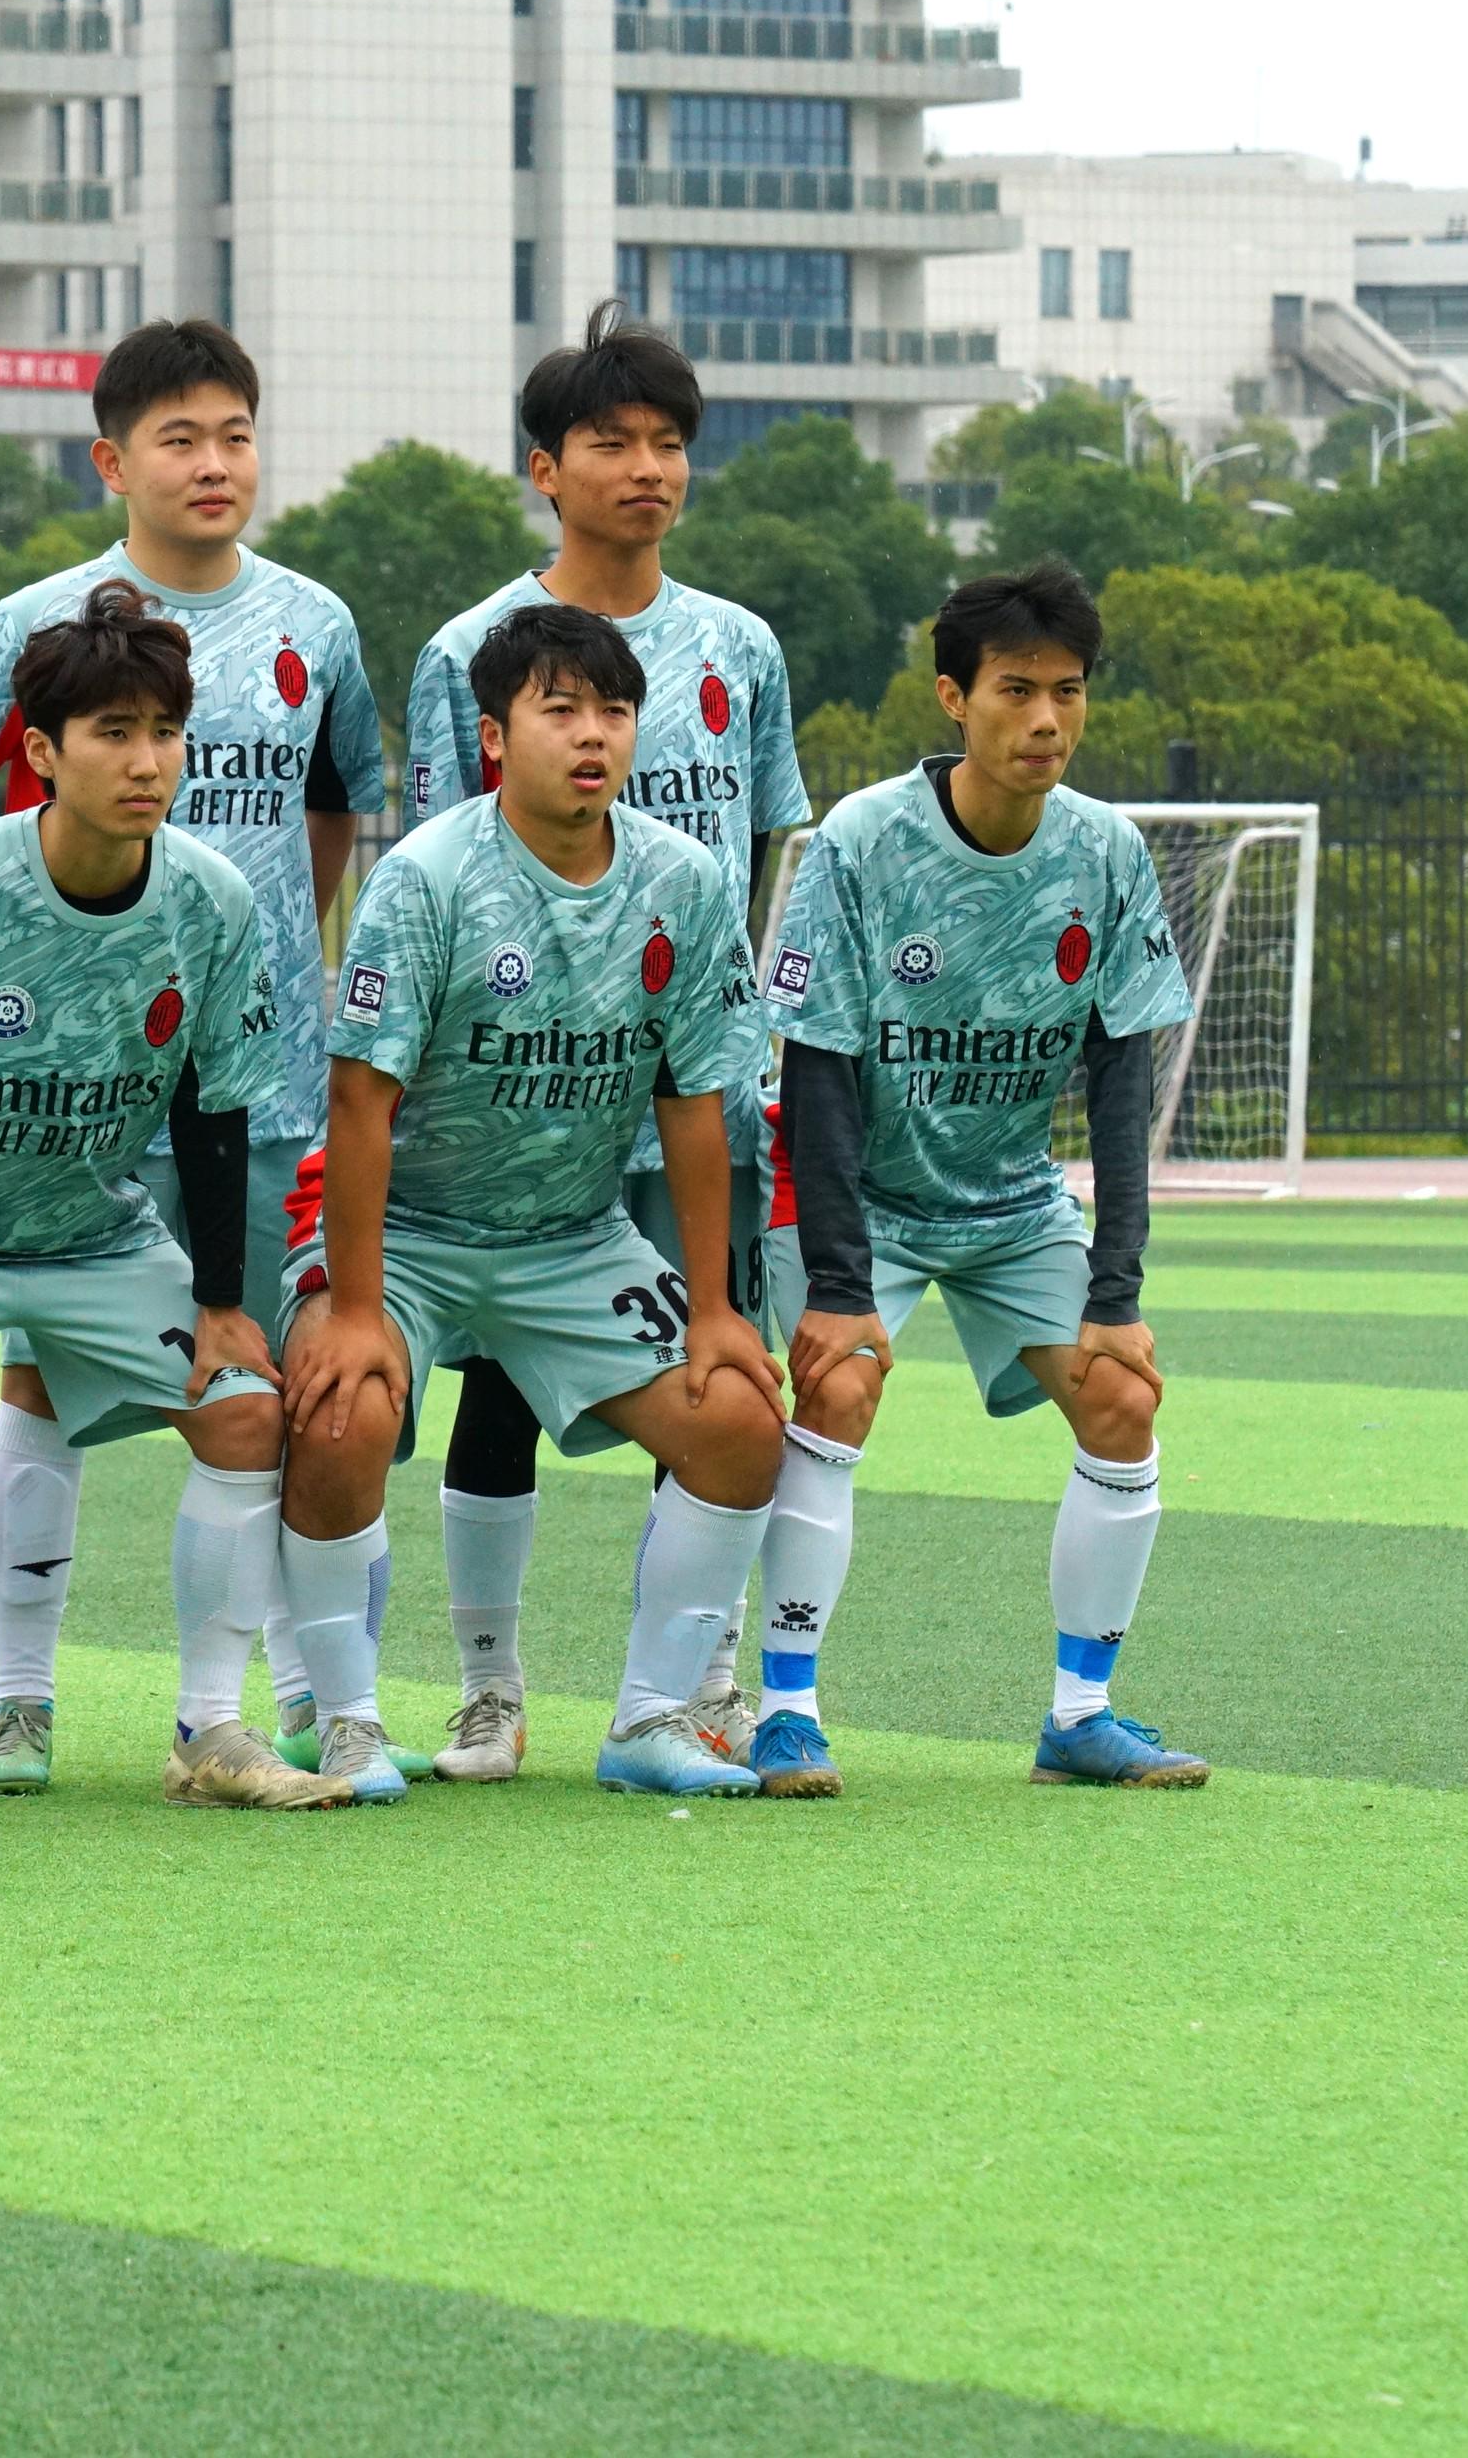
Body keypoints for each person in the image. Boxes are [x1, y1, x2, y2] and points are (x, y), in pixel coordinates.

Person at [0, 321, 380, 1791]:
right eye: (178, 439)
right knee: (40, 1378)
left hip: (259, 1078)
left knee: (254, 1373)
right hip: (59, 1089)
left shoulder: (317, 625)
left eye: (234, 434)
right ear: (110, 462)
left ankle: (250, 1713)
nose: (213, 464)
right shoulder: (26, 628)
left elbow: (332, 816)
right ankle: (19, 1709)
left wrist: (254, 967)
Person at [389, 310, 810, 1776]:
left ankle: (697, 1690)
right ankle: (489, 1692)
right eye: (612, 442)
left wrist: (723, 1036)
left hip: (690, 1091)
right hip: (517, 1103)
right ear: (544, 470)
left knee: (711, 1376)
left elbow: (763, 851)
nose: (647, 468)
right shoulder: (467, 653)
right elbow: (437, 866)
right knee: (498, 1385)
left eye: (669, 443)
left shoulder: (740, 646)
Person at [0, 582, 343, 1808]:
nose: (145, 761)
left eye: (163, 732)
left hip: (96, 1236)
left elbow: (211, 1111)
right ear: (39, 752)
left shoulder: (213, 899)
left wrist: (220, 1305)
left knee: (242, 1413)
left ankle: (208, 1732)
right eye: (112, 732)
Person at [318, 601, 782, 1798]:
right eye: (559, 709)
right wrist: (356, 1308)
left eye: (613, 711)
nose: (591, 734)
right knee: (337, 1412)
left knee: (739, 1417)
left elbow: (693, 1101)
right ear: (492, 735)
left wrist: (716, 1309)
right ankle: (345, 1722)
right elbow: (358, 1103)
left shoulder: (683, 879)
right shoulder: (425, 877)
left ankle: (650, 1719)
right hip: (415, 1238)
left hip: (572, 1240)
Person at [761, 560, 1207, 1792]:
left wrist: (1114, 1293)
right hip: (865, 1203)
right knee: (833, 1392)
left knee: (1122, 1401)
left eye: (1068, 691)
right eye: (1016, 690)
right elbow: (817, 1072)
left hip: (1011, 1205)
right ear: (953, 697)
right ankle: (784, 1711)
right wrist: (836, 1284)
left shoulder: (1105, 851)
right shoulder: (859, 842)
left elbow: (1120, 1082)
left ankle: (1080, 1714)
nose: (1046, 720)